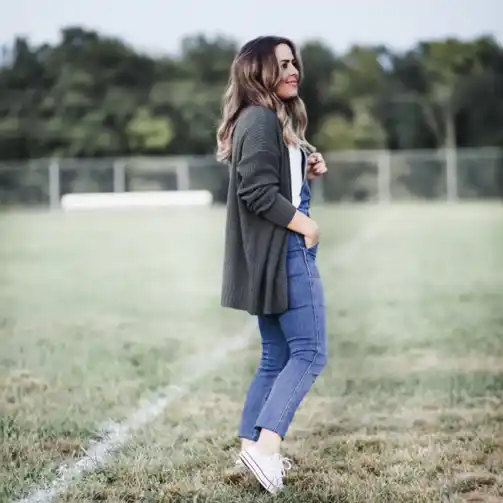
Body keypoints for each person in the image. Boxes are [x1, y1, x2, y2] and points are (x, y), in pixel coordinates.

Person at [216, 35, 328, 495]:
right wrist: (307, 226)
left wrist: (305, 167)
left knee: (276, 356)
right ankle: (267, 448)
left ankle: (250, 445)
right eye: (281, 64)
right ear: (257, 71)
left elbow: (274, 185)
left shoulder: (263, 119)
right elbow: (257, 193)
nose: (293, 70)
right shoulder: (260, 120)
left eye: (293, 62)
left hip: (272, 255)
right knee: (309, 354)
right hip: (285, 254)